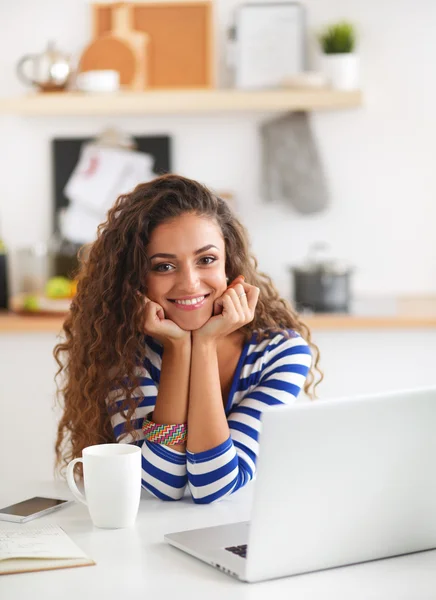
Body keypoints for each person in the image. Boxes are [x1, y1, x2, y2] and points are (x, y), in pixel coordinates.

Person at [54, 174, 322, 504]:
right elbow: (162, 483)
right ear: (137, 279)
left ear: (229, 264)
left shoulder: (281, 354)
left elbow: (214, 486)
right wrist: (180, 347)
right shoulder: (125, 349)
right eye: (164, 266)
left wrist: (205, 345)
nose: (190, 283)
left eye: (206, 260)